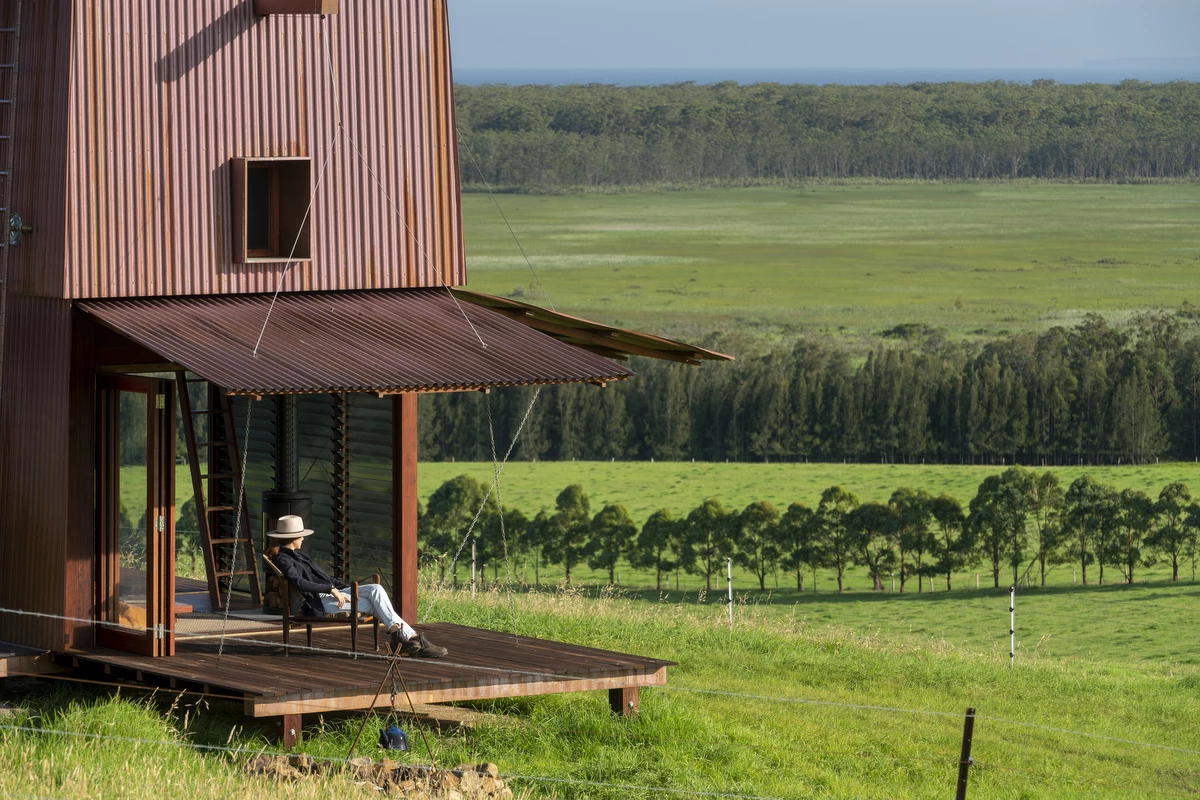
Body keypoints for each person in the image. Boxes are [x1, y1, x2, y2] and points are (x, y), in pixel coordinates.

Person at [267, 515, 447, 658]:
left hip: (333, 593)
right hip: (320, 601)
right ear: (293, 537)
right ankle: (414, 640)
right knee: (375, 605)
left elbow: (323, 577)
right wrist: (330, 589)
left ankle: (400, 636)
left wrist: (340, 586)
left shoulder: (300, 555)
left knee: (376, 590)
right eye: (301, 535)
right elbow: (299, 583)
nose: (304, 538)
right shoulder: (284, 559)